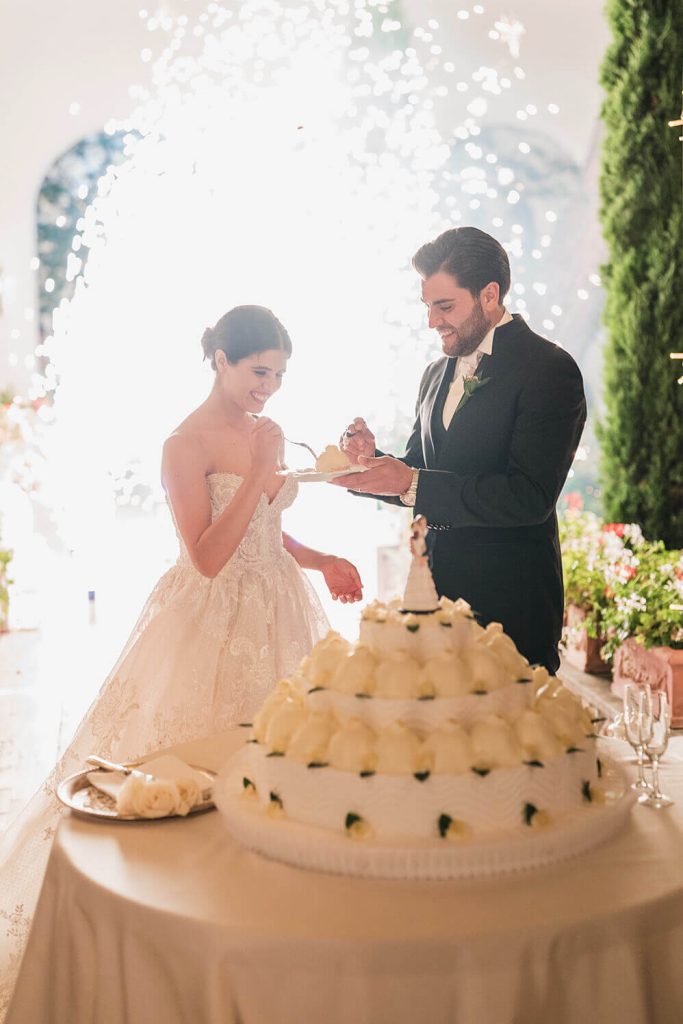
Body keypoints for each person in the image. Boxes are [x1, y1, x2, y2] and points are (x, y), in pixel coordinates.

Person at [0, 304, 362, 1016]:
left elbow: (267, 529)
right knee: (198, 776)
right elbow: (204, 555)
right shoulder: (183, 443)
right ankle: (186, 942)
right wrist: (261, 467)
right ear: (221, 360)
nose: (269, 388)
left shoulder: (266, 431)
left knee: (298, 768)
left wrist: (320, 559)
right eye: (259, 371)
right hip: (209, 616)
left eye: (280, 375)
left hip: (279, 607)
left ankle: (280, 936)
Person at [336, 226, 586, 674]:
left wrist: (411, 481)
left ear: (489, 294)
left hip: (512, 605)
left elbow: (528, 496)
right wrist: (368, 465)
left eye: (445, 306)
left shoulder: (550, 370)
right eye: (428, 306)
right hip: (435, 601)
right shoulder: (435, 374)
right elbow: (420, 472)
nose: (432, 321)